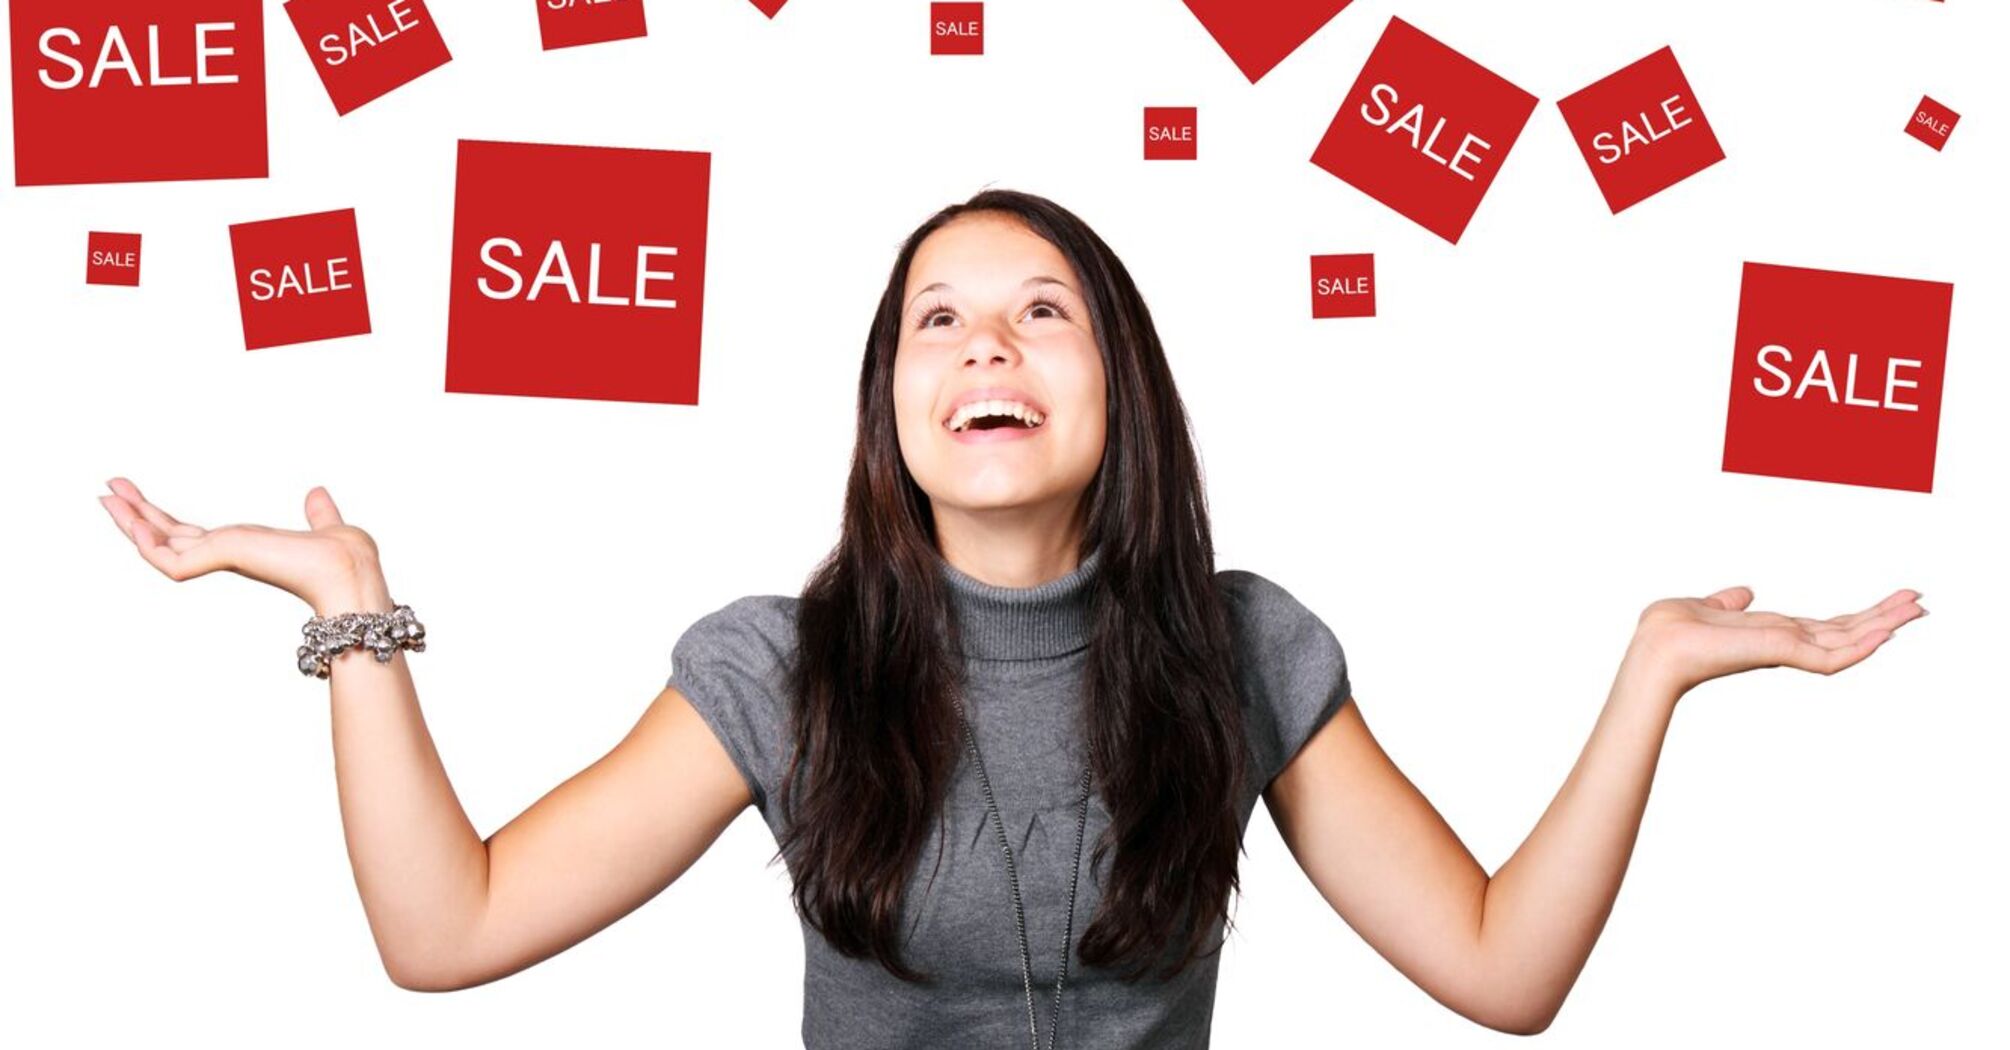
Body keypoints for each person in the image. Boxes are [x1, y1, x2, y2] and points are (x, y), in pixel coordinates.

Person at [97, 189, 1924, 1049]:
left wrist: (1650, 675)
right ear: (890, 401)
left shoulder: (1245, 650)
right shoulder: (778, 671)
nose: (984, 342)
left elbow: (1501, 973)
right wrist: (355, 615)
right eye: (937, 317)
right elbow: (448, 928)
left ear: (1120, 382)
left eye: (1040, 311)